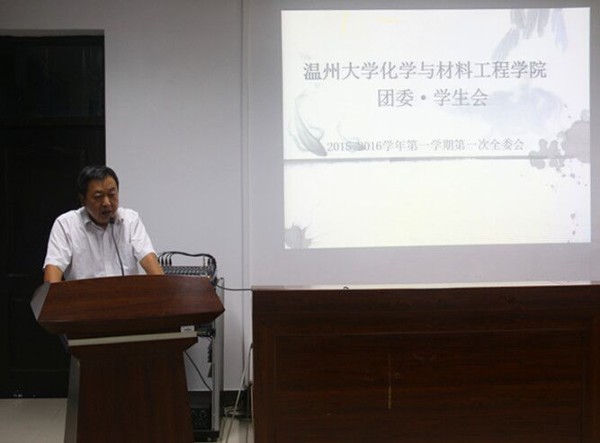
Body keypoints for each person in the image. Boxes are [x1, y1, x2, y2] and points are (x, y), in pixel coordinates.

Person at [43, 165, 164, 282]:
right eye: (98, 196)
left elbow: (148, 259)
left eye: (112, 195)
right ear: (83, 199)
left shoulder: (130, 220)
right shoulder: (66, 224)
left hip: (126, 295)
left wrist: (164, 289)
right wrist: (52, 295)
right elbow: (54, 269)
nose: (107, 203)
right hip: (84, 295)